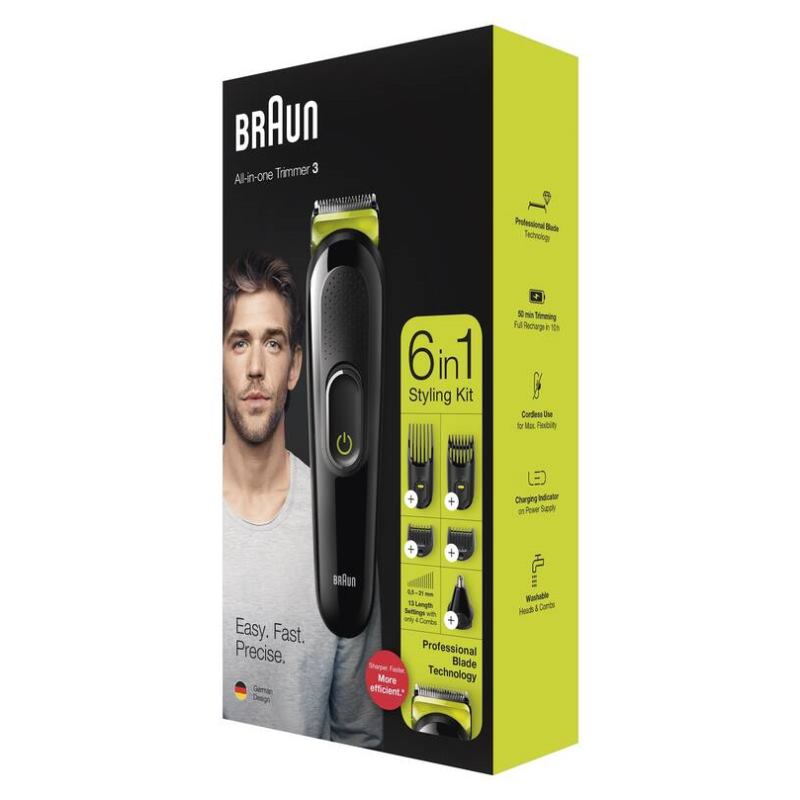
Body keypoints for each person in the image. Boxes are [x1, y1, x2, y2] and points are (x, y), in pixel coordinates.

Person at [222, 251, 382, 746]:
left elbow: (360, 733)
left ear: (294, 366)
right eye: (239, 343)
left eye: (272, 343)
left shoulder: (342, 528)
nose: (255, 368)